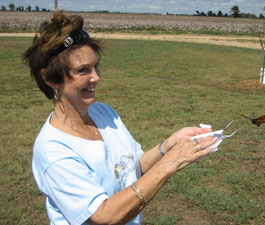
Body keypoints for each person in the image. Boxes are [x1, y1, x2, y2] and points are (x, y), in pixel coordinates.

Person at [24, 11, 216, 225]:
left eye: (96, 65)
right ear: (49, 78)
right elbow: (104, 215)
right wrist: (171, 162)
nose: (96, 77)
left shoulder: (104, 113)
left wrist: (170, 144)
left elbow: (132, 169)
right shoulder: (53, 150)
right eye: (82, 70)